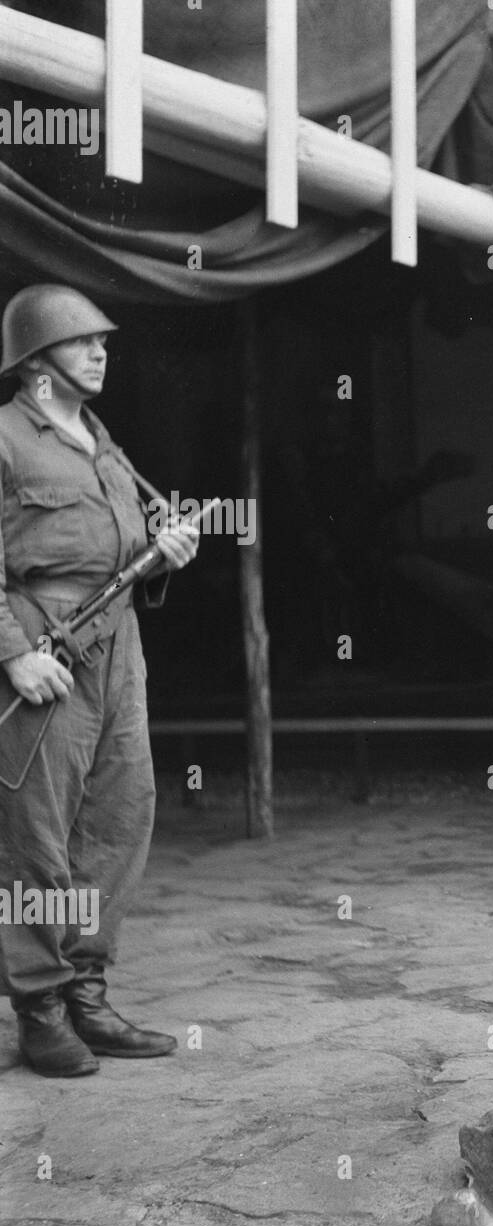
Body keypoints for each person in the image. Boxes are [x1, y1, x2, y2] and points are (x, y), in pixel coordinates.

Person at [0, 284, 199, 1078]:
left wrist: (166, 555)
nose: (100, 353)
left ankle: (86, 988)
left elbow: (120, 554)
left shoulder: (103, 441)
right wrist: (12, 651)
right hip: (45, 645)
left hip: (118, 646)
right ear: (36, 363)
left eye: (104, 343)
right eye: (83, 343)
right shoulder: (8, 438)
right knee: (38, 832)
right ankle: (40, 1006)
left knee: (120, 814)